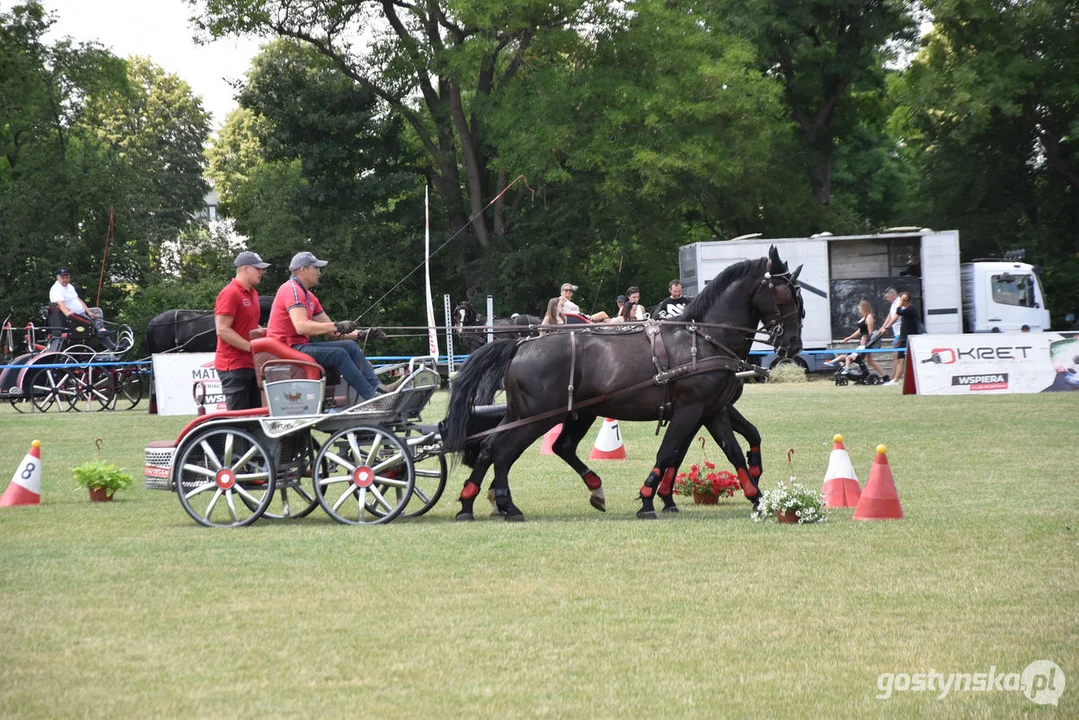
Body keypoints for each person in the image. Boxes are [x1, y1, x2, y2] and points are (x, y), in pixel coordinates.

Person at [267, 251, 387, 400]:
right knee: (339, 354)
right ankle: (372, 397)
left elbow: (332, 331)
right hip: (285, 349)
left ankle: (379, 389)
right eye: (315, 268)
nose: (319, 273)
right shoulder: (292, 290)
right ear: (302, 269)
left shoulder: (309, 297)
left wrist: (361, 334)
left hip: (298, 346)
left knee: (349, 345)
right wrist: (336, 325)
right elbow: (301, 326)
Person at [214, 251, 271, 411]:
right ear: (245, 268)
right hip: (233, 365)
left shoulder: (252, 293)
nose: (262, 272)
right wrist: (251, 347)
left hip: (250, 363)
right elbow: (222, 330)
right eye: (258, 268)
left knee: (255, 416)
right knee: (238, 418)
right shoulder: (230, 293)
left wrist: (270, 335)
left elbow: (251, 325)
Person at [48, 267, 115, 351]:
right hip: (75, 317)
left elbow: (78, 300)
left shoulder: (69, 286)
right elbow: (60, 304)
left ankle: (101, 329)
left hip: (82, 312)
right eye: (63, 277)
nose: (65, 279)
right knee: (92, 326)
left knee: (97, 311)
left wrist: (88, 311)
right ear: (58, 277)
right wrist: (69, 314)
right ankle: (112, 347)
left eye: (67, 277)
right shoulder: (56, 289)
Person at [825, 300, 886, 379]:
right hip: (862, 341)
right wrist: (850, 337)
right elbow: (860, 330)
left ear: (864, 307)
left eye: (860, 307)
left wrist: (866, 342)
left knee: (868, 361)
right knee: (869, 361)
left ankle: (883, 376)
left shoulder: (869, 317)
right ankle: (884, 376)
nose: (858, 309)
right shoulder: (864, 317)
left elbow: (870, 331)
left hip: (866, 342)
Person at [886, 292, 923, 386]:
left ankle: (896, 380)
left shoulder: (910, 310)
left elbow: (898, 311)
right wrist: (900, 339)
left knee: (903, 360)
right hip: (903, 338)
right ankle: (895, 380)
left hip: (910, 338)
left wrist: (899, 303)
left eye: (902, 299)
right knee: (900, 359)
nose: (900, 301)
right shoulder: (906, 310)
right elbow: (903, 326)